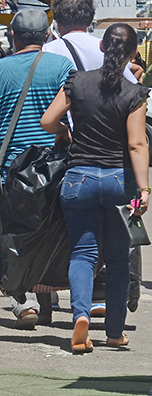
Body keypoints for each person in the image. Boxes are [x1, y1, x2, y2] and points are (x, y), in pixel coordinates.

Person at [0, 8, 74, 330]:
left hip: (13, 172)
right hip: (55, 169)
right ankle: (46, 298)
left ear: (13, 36)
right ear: (48, 36)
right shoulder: (63, 66)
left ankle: (24, 302)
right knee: (50, 231)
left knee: (12, 236)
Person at [41, 23, 149, 353]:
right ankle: (114, 332)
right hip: (119, 183)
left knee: (83, 254)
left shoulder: (77, 82)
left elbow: (48, 121)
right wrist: (143, 189)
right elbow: (136, 144)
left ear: (102, 47)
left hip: (79, 180)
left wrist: (64, 132)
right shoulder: (135, 94)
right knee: (118, 259)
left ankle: (79, 318)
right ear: (133, 53)